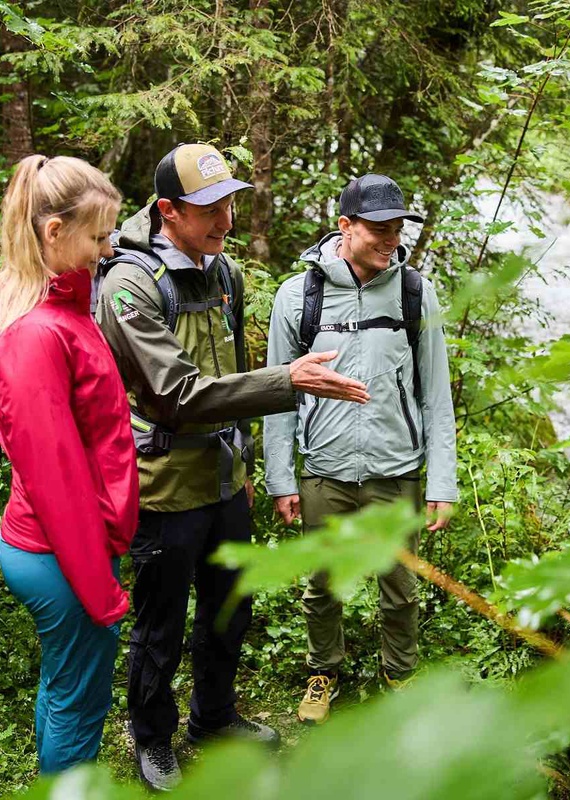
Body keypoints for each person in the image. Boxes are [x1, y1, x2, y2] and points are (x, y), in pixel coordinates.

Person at [95, 143, 369, 791]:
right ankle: (153, 738)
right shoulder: (131, 285)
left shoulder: (224, 275)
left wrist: (244, 458)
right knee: (160, 625)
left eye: (230, 203)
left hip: (222, 481)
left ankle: (212, 719)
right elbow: (176, 394)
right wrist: (287, 380)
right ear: (168, 210)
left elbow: (229, 375)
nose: (226, 220)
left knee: (229, 609)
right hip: (163, 487)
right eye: (210, 208)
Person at [264, 173, 457, 725]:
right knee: (323, 585)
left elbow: (435, 394)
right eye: (378, 229)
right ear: (345, 226)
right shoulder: (298, 296)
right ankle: (324, 669)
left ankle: (400, 675)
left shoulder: (416, 292)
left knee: (400, 588)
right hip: (324, 472)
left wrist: (441, 482)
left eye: (397, 229)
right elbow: (280, 394)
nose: (390, 240)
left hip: (396, 472)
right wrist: (281, 477)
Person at [0, 155, 138, 773]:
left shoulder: (65, 313)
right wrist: (99, 588)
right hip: (60, 552)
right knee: (78, 704)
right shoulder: (37, 333)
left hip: (67, 546)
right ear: (54, 232)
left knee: (66, 691)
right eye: (99, 235)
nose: (107, 250)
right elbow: (56, 477)